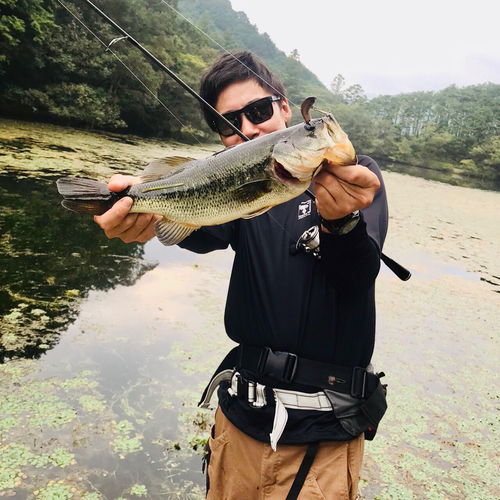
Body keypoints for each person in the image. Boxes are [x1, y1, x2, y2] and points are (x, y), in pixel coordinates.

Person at [95, 51, 388, 500]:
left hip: (322, 437)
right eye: (229, 124)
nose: (248, 129)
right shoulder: (235, 184)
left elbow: (357, 276)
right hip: (238, 421)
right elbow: (189, 226)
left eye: (258, 111)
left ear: (285, 108)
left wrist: (341, 223)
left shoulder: (355, 180)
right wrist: (131, 211)